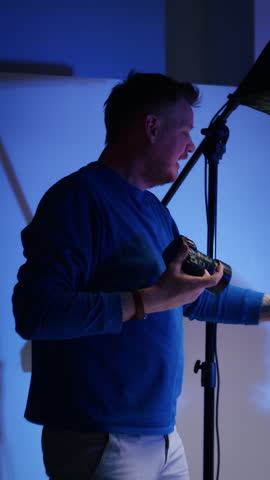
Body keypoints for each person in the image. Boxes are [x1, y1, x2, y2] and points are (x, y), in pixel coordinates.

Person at [12, 72, 270, 480]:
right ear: (151, 127)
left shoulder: (153, 210)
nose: (190, 145)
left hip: (161, 437)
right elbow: (35, 313)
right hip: (100, 436)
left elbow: (191, 295)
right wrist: (149, 299)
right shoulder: (78, 199)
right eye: (184, 130)